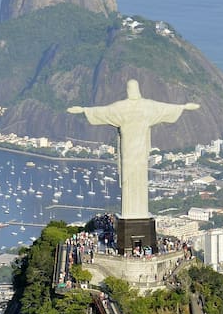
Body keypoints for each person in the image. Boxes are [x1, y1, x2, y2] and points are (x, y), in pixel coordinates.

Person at [69, 79, 198, 219]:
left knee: (132, 177)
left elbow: (103, 112)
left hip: (132, 148)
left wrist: (83, 110)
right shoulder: (146, 106)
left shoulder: (124, 107)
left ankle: (135, 212)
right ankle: (132, 212)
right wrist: (183, 107)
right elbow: (165, 108)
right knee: (134, 177)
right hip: (134, 148)